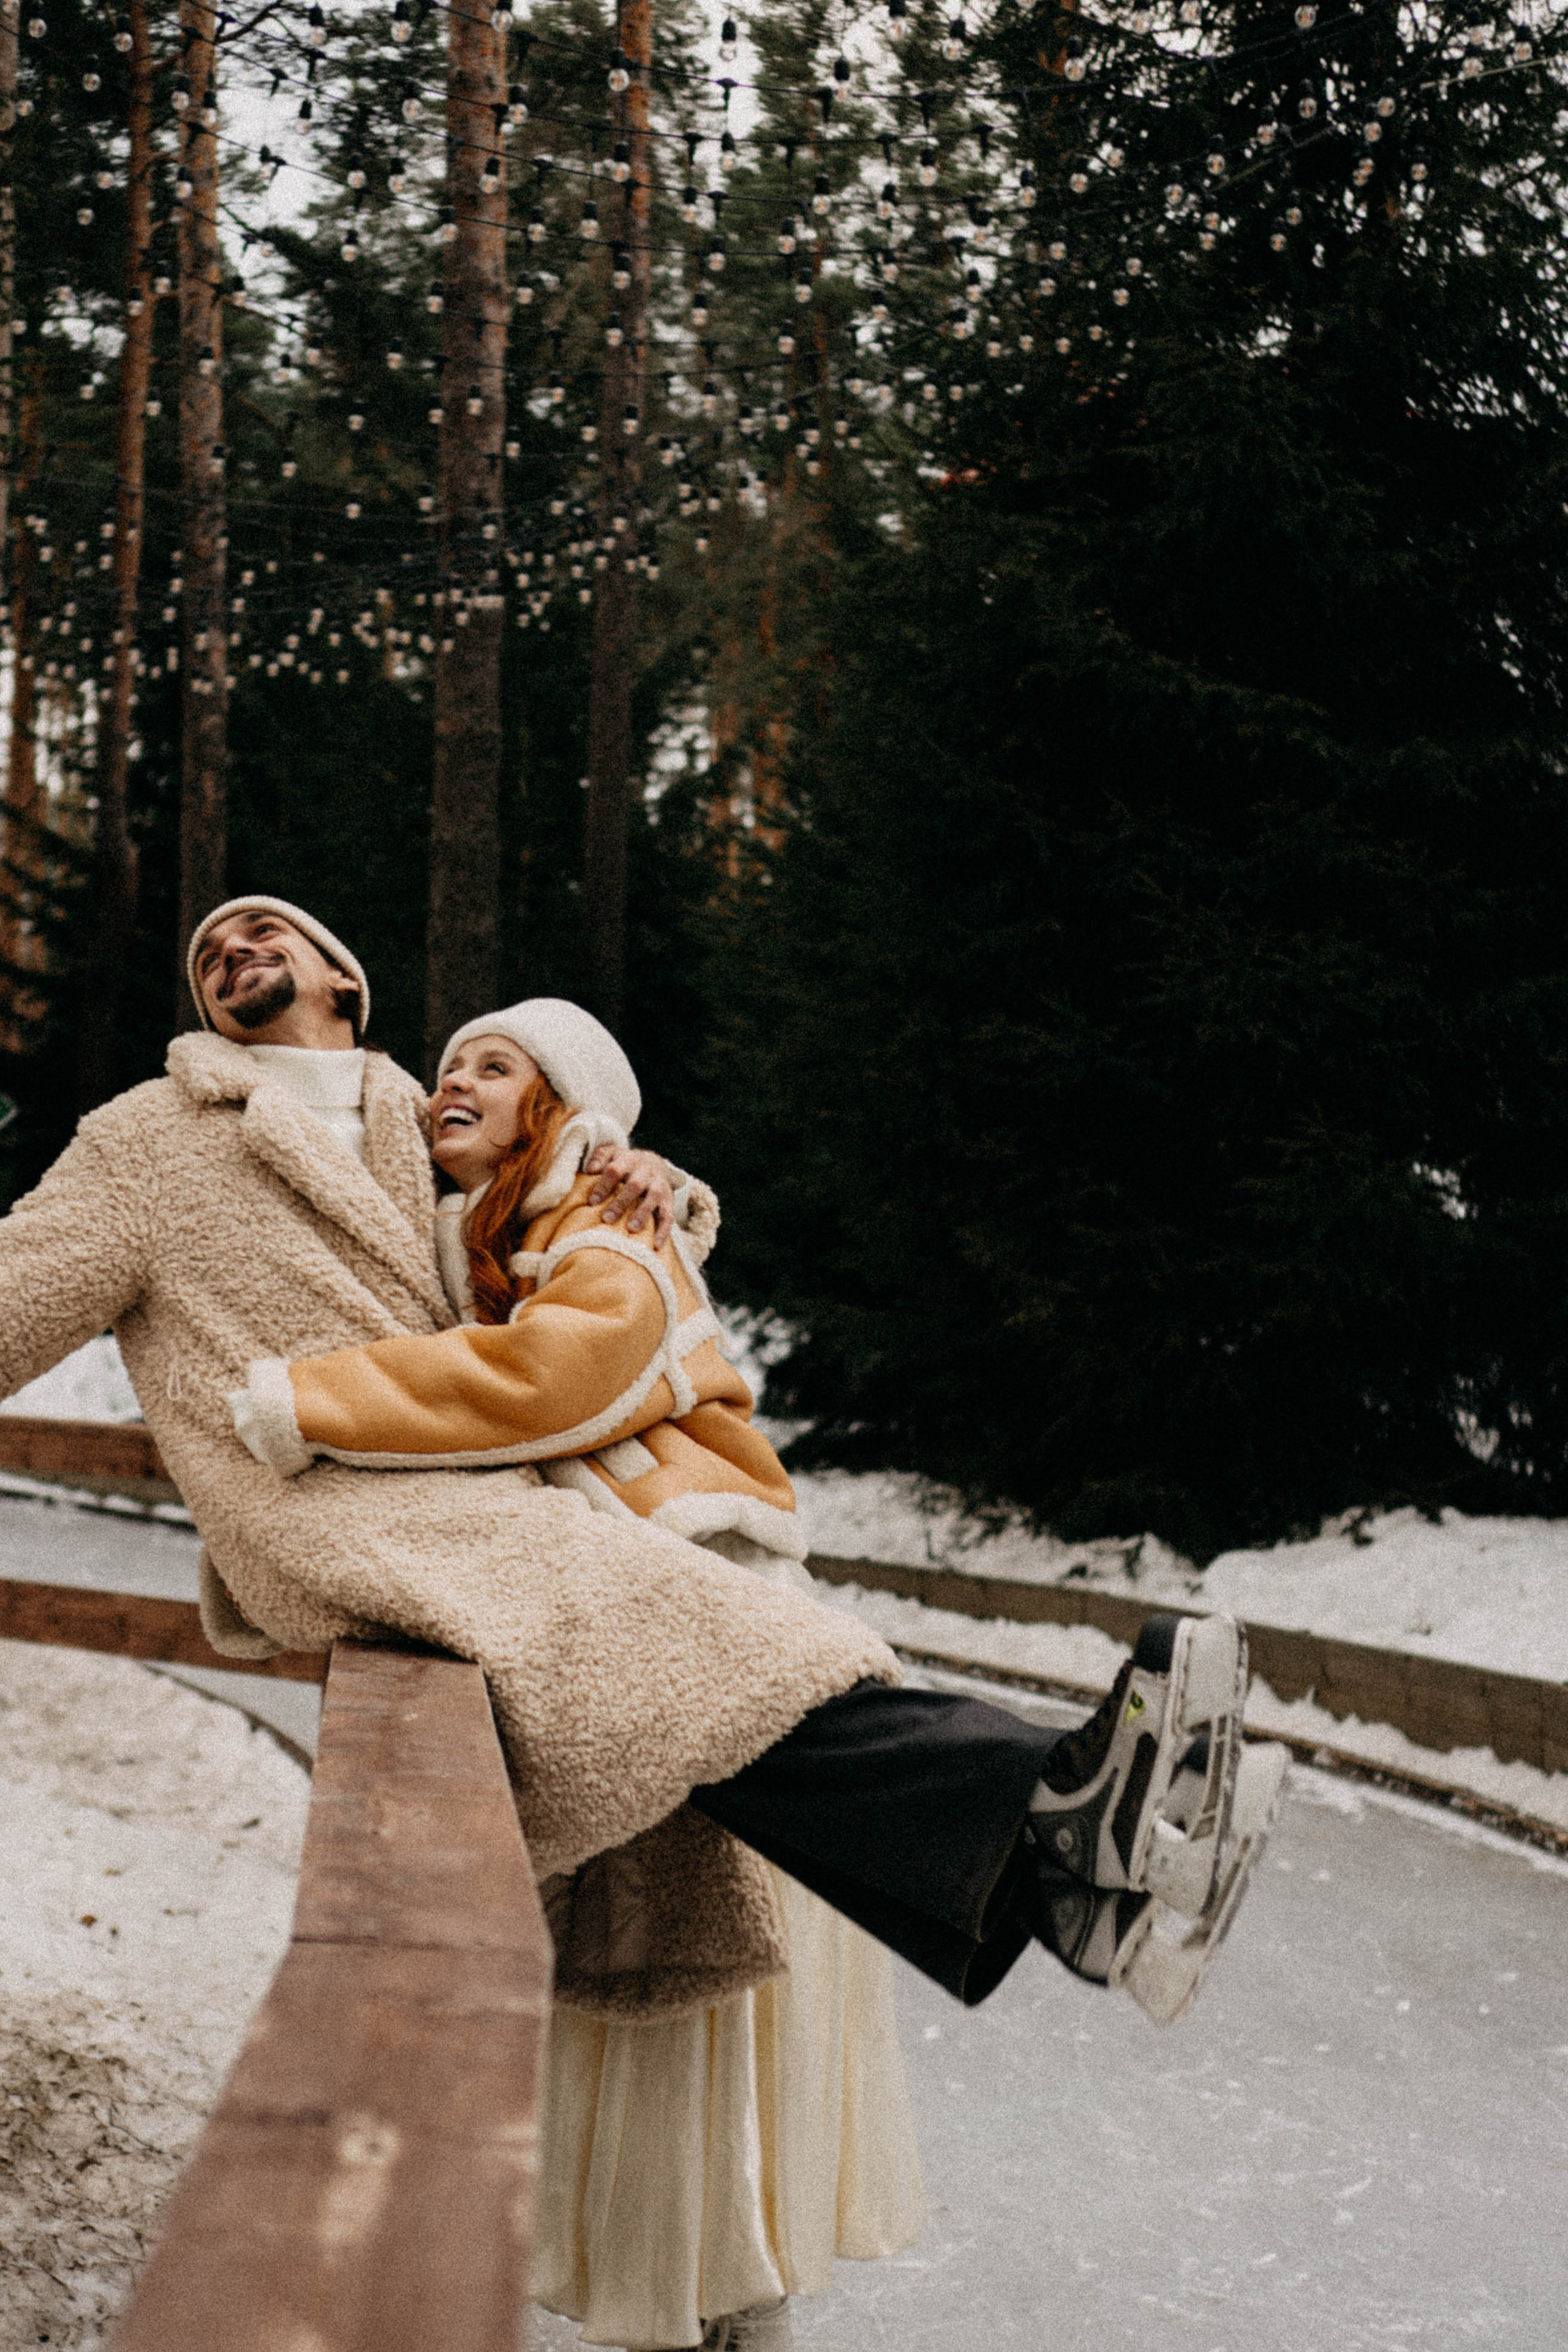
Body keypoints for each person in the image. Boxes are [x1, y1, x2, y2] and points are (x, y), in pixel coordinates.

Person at [0, 897, 1284, 2345]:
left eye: (264, 933)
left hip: (457, 1492)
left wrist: (642, 1183)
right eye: (210, 948)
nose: (230, 948)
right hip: (324, 1503)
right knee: (683, 1629)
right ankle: (1056, 1817)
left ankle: (1056, 1877)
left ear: (344, 981)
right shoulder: (141, 1143)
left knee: (697, 1656)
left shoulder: (402, 1115)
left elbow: (528, 1229)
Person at [233, 997, 927, 2352]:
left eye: (493, 1066)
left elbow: (546, 1379)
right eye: (445, 1068)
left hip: (703, 1603)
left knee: (702, 1978)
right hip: (617, 1625)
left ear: (566, 1108)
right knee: (647, 1961)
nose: (454, 1083)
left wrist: (304, 1404)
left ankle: (724, 2294)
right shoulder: (483, 1237)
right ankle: (708, 2293)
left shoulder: (608, 1222)